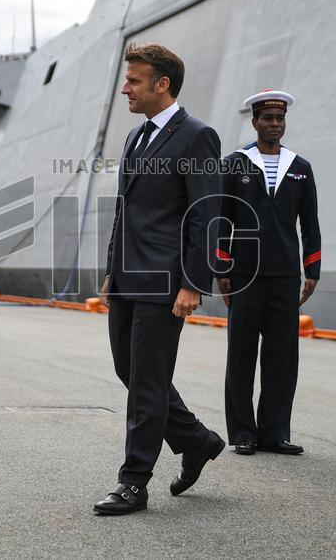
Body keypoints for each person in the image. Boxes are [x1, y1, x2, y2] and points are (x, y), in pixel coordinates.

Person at [93, 43, 224, 516]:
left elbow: (206, 215)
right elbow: (125, 209)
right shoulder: (135, 137)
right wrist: (112, 267)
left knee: (148, 380)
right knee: (128, 369)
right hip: (129, 275)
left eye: (133, 80)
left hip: (166, 280)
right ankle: (196, 439)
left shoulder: (198, 136)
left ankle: (134, 482)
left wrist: (194, 282)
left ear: (161, 84)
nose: (125, 88)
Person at [217, 90, 321, 457]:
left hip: (284, 276)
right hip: (244, 274)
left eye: (280, 120)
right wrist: (221, 266)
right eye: (268, 119)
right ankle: (243, 433)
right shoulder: (235, 164)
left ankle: (275, 433)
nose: (274, 125)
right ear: (255, 122)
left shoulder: (300, 167)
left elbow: (310, 223)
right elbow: (221, 219)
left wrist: (313, 269)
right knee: (241, 354)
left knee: (282, 357)